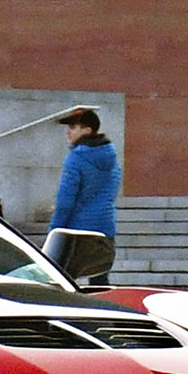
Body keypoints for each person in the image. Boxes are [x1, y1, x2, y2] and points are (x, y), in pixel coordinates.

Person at [46, 106, 120, 281]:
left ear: (87, 130)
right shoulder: (112, 157)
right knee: (99, 283)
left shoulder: (76, 158)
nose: (68, 132)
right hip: (104, 229)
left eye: (73, 127)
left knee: (63, 282)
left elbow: (65, 202)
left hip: (76, 233)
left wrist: (54, 231)